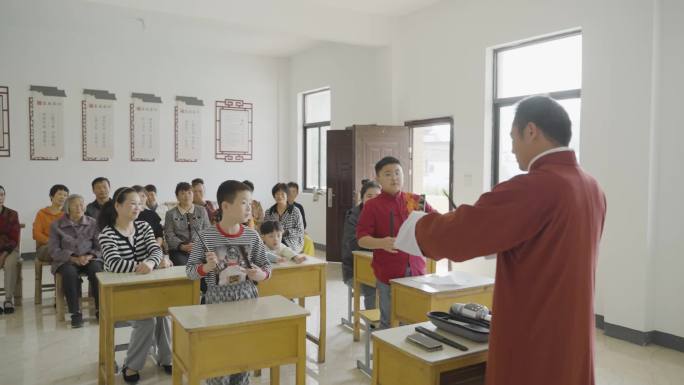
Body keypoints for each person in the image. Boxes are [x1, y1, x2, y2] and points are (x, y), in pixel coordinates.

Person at [395, 96, 607, 385]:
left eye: (512, 137)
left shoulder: (537, 186)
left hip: (536, 326)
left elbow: (464, 233)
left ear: (530, 130)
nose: (511, 147)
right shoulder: (591, 186)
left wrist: (416, 225)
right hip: (573, 325)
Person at [186, 180, 271, 385]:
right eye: (244, 203)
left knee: (244, 357)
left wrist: (260, 274)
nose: (249, 208)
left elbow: (267, 267)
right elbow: (190, 272)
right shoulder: (206, 236)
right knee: (219, 359)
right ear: (225, 206)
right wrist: (205, 268)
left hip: (247, 300)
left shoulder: (252, 236)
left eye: (250, 203)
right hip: (217, 303)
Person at [98, 187, 174, 383]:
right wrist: (146, 265)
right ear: (117, 205)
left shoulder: (144, 227)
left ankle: (167, 358)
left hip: (148, 291)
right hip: (121, 295)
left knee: (164, 313)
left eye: (140, 203)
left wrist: (150, 263)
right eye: (132, 203)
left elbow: (156, 252)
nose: (138, 207)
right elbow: (114, 264)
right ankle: (131, 365)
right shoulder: (107, 233)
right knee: (146, 321)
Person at [356, 157, 436, 329]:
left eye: (397, 173)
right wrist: (382, 243)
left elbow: (437, 220)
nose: (394, 178)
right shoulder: (372, 206)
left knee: (416, 320)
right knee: (389, 321)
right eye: (388, 174)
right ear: (378, 179)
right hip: (389, 273)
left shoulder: (415, 201)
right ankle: (385, 355)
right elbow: (362, 239)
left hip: (417, 270)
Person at [48, 194, 103, 328]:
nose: (79, 207)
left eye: (81, 204)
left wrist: (89, 256)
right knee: (69, 274)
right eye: (75, 205)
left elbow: (100, 246)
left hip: (90, 258)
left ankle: (100, 309)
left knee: (96, 270)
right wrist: (73, 258)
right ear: (68, 208)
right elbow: (53, 250)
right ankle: (75, 313)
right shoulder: (56, 225)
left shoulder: (93, 223)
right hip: (66, 260)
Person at [342, 180, 381, 310]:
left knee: (398, 287)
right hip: (355, 270)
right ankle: (373, 327)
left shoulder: (384, 214)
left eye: (377, 197)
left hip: (380, 266)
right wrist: (378, 244)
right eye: (369, 196)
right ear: (362, 198)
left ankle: (390, 323)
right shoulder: (353, 216)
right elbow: (353, 243)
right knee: (372, 287)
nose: (373, 200)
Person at [164, 182, 211, 266]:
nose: (187, 196)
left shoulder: (202, 210)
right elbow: (169, 234)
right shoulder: (170, 214)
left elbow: (207, 231)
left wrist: (197, 246)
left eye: (189, 192)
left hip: (200, 248)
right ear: (177, 197)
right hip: (179, 250)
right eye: (183, 193)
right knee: (183, 267)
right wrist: (182, 246)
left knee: (210, 265)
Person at [33, 184, 69, 264]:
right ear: (51, 196)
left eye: (65, 195)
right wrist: (52, 241)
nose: (62, 197)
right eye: (59, 194)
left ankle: (67, 274)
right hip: (45, 247)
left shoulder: (67, 214)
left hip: (63, 246)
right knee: (63, 253)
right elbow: (36, 233)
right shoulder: (42, 213)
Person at [264, 183, 305, 253]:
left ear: (287, 196)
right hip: (274, 240)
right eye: (277, 194)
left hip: (291, 241)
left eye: (282, 194)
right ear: (274, 196)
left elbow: (300, 231)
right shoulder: (269, 212)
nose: (280, 196)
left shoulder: (295, 211)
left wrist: (287, 232)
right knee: (264, 251)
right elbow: (265, 230)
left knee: (282, 250)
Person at [0, 185, 20, 314]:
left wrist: (3, 255)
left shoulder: (12, 214)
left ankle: (8, 299)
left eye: (2, 194)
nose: (0, 197)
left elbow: (14, 237)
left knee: (11, 264)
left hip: (10, 249)